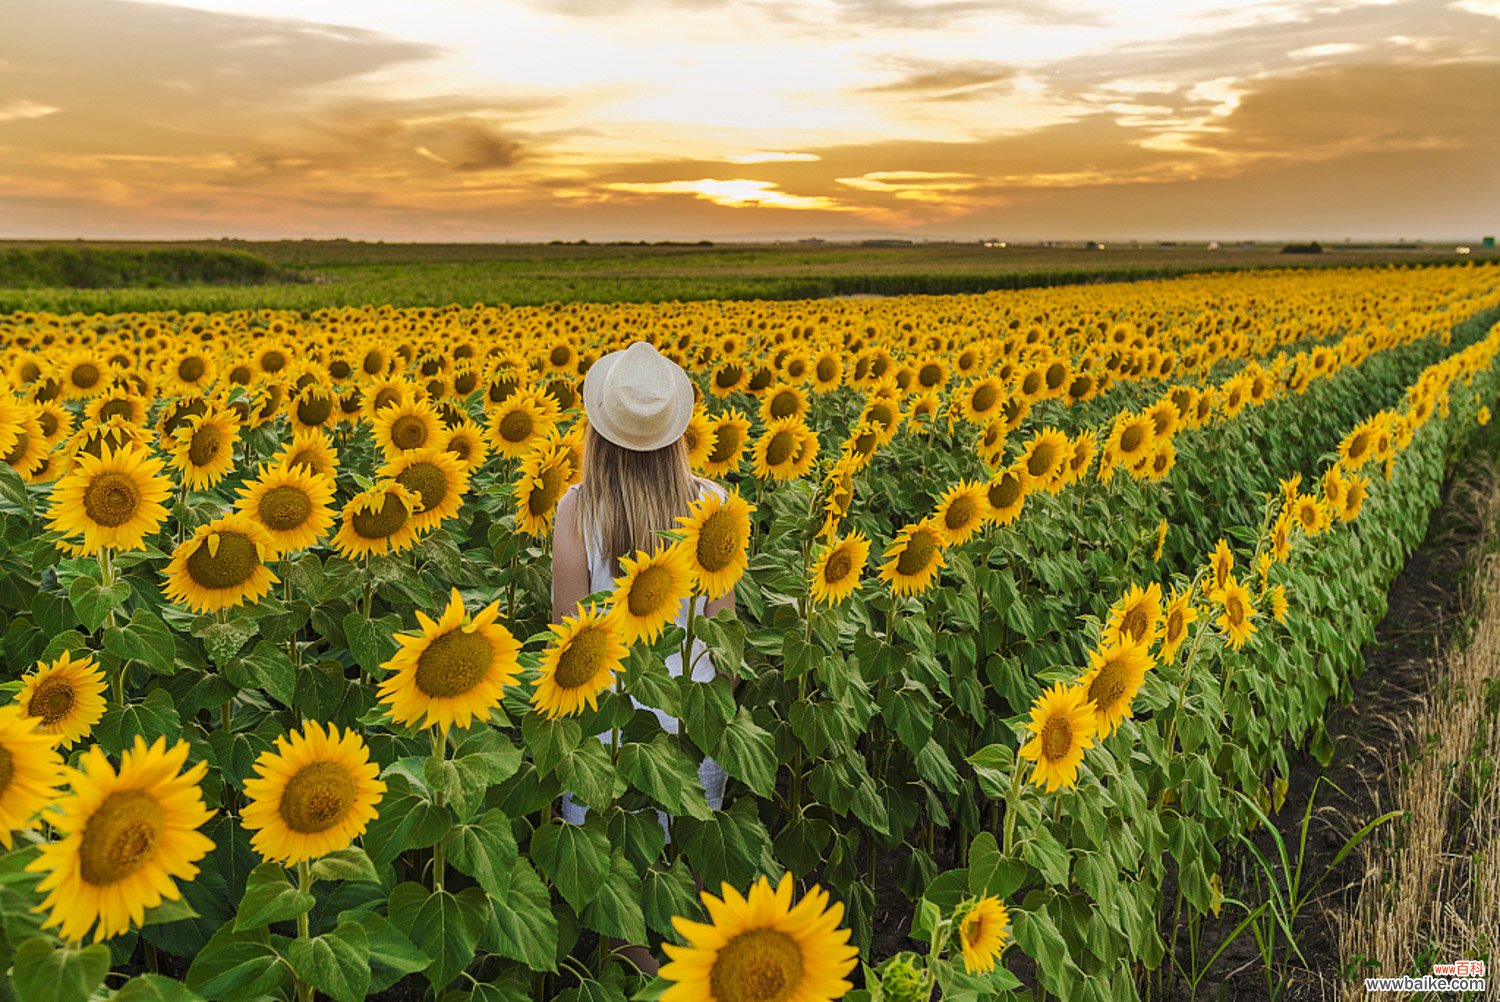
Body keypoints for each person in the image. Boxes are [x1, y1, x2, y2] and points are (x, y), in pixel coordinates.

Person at [551, 340, 732, 825]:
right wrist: (719, 711)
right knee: (689, 879)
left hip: (605, 726)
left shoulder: (578, 510)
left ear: (599, 430)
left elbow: (570, 640)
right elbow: (723, 639)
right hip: (694, 721)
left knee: (605, 882)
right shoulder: (714, 505)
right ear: (675, 433)